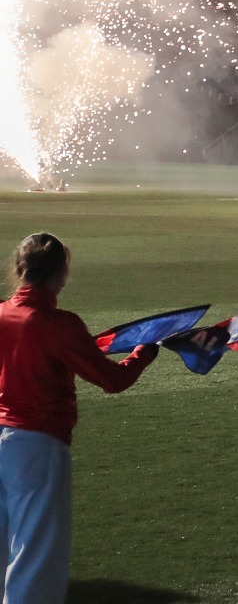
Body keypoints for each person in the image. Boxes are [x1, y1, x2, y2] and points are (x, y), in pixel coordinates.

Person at [0, 233, 160, 603]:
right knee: (35, 555)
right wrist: (143, 354)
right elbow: (112, 380)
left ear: (20, 270)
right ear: (61, 273)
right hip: (35, 444)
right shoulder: (60, 323)